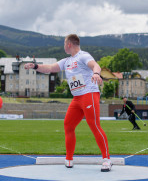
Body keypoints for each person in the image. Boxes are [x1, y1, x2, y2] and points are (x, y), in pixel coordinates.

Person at [24, 34, 112, 172]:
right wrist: (34, 66)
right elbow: (50, 68)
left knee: (94, 125)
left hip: (89, 95)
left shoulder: (83, 56)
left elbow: (95, 65)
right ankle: (69, 159)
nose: (63, 46)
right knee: (68, 125)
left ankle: (106, 160)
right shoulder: (66, 61)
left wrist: (96, 74)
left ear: (69, 44)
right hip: (77, 98)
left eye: (64, 44)